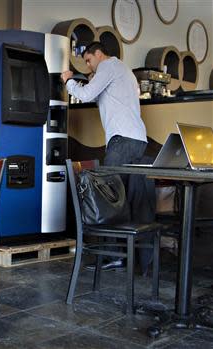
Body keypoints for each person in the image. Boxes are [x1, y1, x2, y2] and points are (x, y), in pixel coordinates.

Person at [61, 41, 155, 272]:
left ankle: (114, 255)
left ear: (99, 54)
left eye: (89, 60)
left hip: (122, 140)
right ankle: (138, 258)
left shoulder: (108, 66)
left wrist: (68, 80)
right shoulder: (124, 70)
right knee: (131, 198)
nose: (89, 65)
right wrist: (87, 81)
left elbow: (85, 95)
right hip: (138, 139)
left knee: (111, 198)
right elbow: (96, 94)